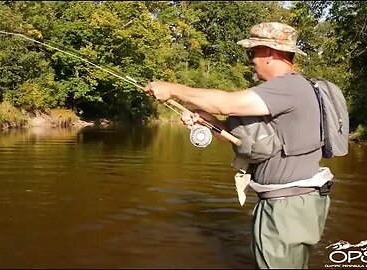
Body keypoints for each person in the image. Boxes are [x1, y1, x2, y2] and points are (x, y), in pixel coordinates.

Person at [143, 22, 333, 269]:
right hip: (292, 204)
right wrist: (207, 120)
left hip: (287, 207)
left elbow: (226, 103)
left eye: (252, 52)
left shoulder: (288, 87)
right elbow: (243, 138)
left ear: (269, 53)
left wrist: (172, 89)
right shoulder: (293, 90)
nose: (251, 60)